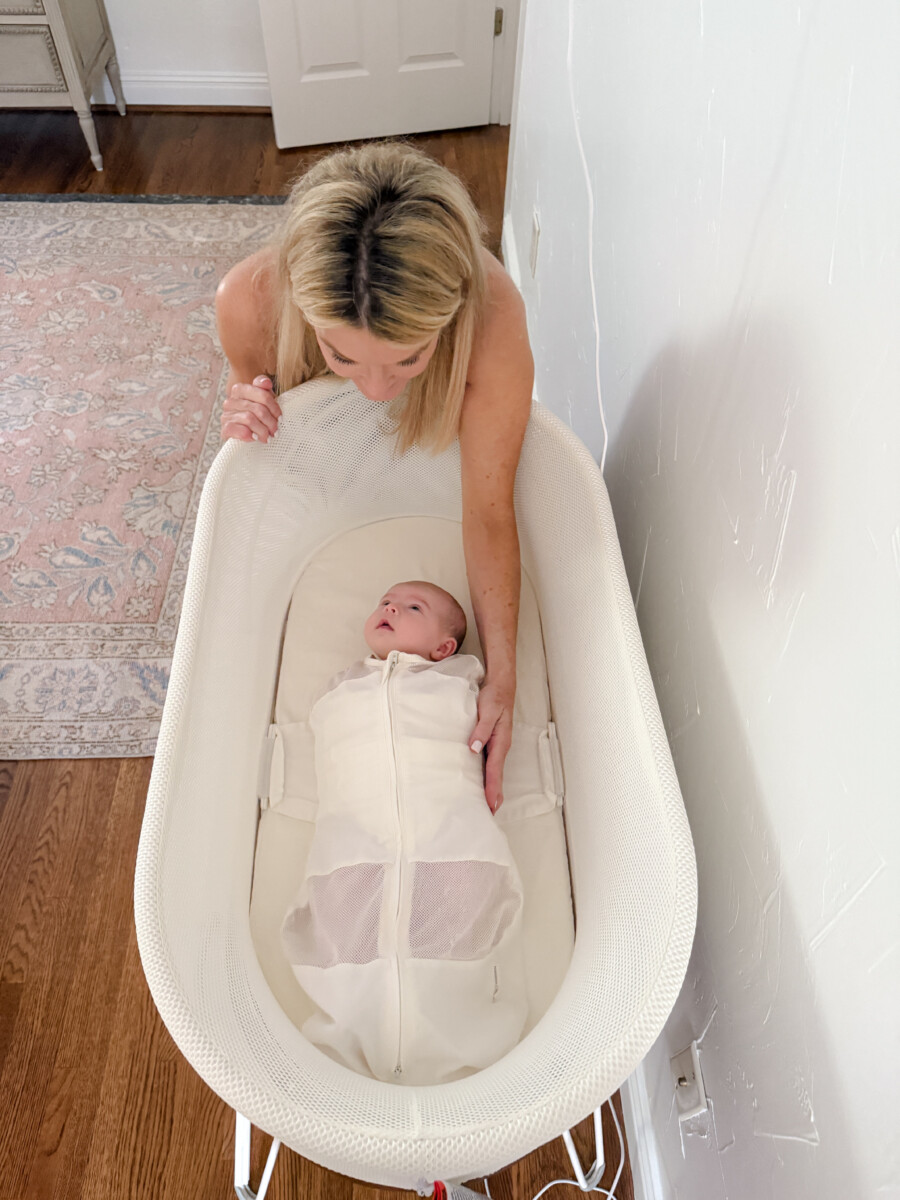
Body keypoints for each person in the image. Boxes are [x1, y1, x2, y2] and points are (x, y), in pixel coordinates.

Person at [215, 142, 534, 812]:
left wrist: (502, 674)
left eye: (410, 360)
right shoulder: (249, 303)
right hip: (328, 486)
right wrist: (251, 409)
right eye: (341, 357)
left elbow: (488, 509)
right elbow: (286, 463)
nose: (376, 391)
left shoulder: (494, 319)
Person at [281, 581, 526, 1084]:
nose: (390, 607)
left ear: (444, 648)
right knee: (341, 920)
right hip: (355, 842)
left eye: (413, 607)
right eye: (385, 601)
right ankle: (353, 1027)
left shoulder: (460, 681)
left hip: (448, 836)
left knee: (462, 910)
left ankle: (451, 1026)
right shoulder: (341, 687)